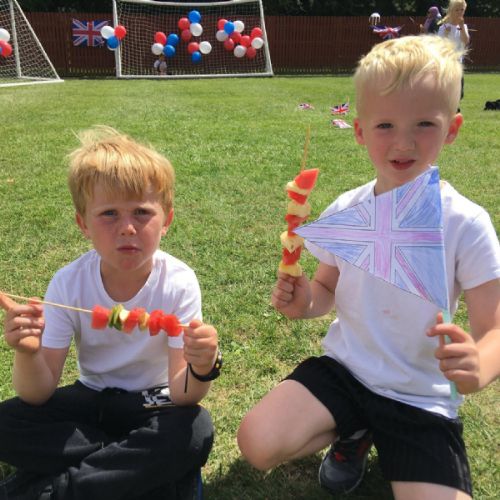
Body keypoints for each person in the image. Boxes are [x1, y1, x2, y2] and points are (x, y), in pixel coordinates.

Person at [237, 35, 500, 500]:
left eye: (424, 124)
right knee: (257, 442)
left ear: (452, 128)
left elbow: (494, 327)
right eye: (385, 125)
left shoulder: (465, 222)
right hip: (346, 370)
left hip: (420, 396)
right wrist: (305, 301)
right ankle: (354, 430)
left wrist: (479, 365)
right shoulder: (347, 209)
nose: (403, 142)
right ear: (359, 130)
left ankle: (385, 434)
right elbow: (325, 288)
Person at [0, 126, 221, 500]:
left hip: (154, 403)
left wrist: (202, 366)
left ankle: (57, 490)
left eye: (142, 212)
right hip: (91, 399)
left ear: (166, 220)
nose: (128, 228)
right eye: (109, 214)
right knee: (6, 423)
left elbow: (184, 395)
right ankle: (137, 469)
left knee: (195, 430)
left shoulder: (178, 282)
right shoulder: (68, 283)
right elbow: (37, 393)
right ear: (83, 224)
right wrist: (27, 352)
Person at [438, 0, 470, 101]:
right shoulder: (444, 27)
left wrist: (461, 27)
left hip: (458, 63)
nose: (460, 12)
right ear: (451, 11)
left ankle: (453, 107)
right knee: (448, 90)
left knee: (460, 93)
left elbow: (465, 41)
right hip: (447, 63)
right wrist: (446, 34)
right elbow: (439, 44)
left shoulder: (464, 26)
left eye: (462, 10)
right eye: (457, 10)